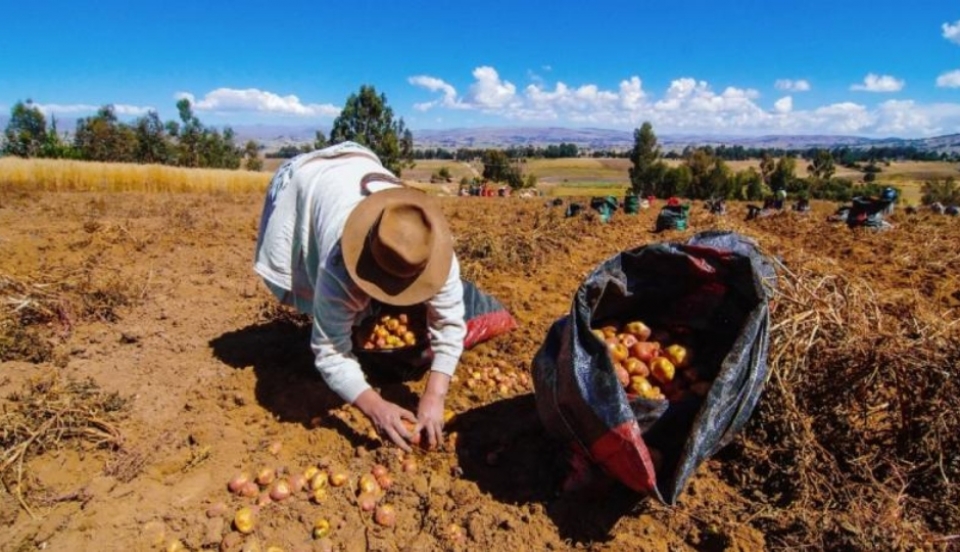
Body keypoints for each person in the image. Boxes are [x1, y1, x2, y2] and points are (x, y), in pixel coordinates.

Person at [254, 141, 466, 452]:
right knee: (332, 319)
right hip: (311, 181)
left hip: (358, 163)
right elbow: (330, 351)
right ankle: (340, 318)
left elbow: (449, 324)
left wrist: (435, 394)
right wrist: (375, 407)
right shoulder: (337, 265)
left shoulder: (433, 252)